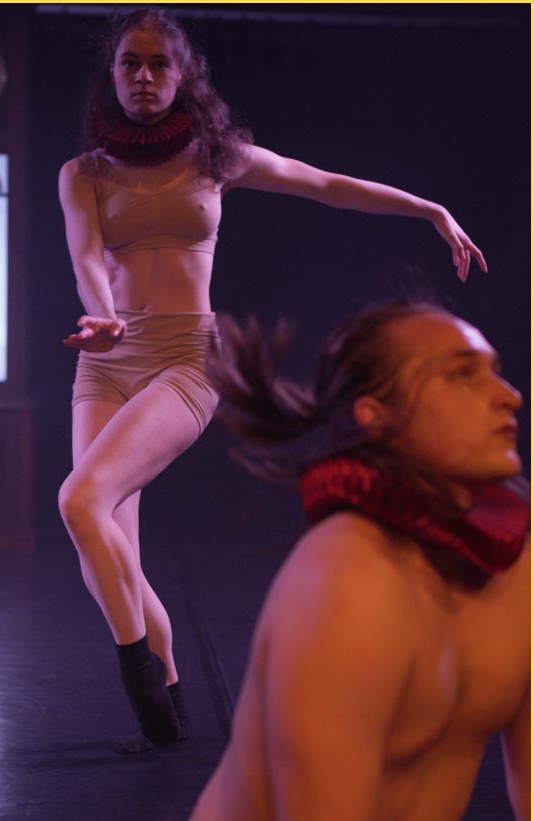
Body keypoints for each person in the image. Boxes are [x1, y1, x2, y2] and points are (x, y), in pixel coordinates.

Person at [0, 300, 530, 821]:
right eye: (462, 373)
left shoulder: (516, 558)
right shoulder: (345, 578)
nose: (509, 394)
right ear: (377, 417)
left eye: (494, 369)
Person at [56, 5, 487, 747]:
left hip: (186, 360)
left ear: (183, 75)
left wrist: (427, 208)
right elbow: (86, 256)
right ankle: (169, 680)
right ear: (113, 75)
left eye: (159, 63)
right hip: (106, 363)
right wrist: (104, 316)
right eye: (130, 62)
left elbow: (323, 184)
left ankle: (139, 674)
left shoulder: (217, 158)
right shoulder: (84, 173)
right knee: (105, 539)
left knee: (79, 498)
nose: (144, 76)